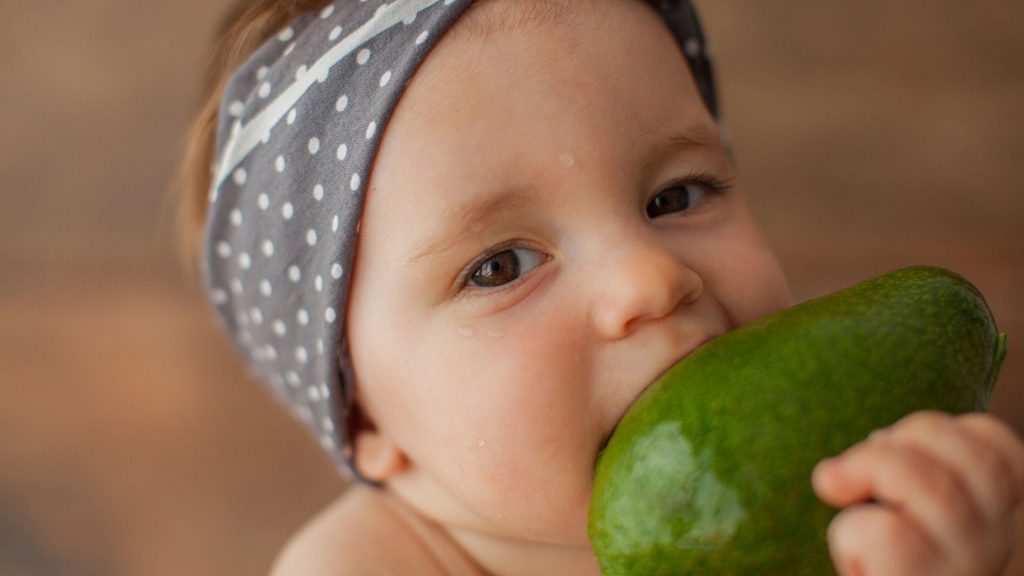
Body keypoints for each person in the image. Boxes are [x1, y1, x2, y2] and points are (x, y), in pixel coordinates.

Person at [176, 0, 1024, 574]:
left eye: (675, 197)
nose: (650, 278)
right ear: (361, 412)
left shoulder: (838, 482)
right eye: (500, 266)